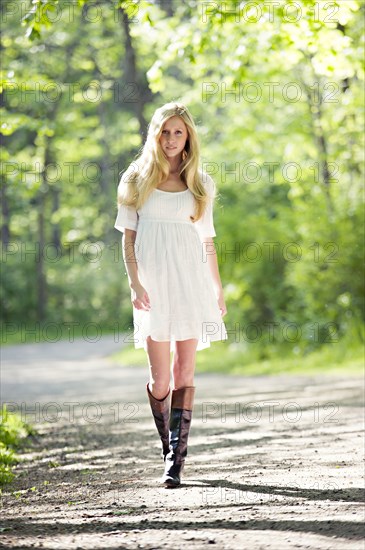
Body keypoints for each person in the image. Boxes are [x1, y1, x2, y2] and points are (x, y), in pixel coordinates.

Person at [114, 101, 228, 488]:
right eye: (165, 131)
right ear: (155, 134)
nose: (171, 139)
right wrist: (135, 283)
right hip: (153, 287)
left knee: (185, 372)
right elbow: (128, 241)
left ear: (189, 136)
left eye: (178, 132)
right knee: (160, 380)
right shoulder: (135, 178)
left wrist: (217, 288)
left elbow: (207, 239)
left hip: (191, 281)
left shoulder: (200, 182)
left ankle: (174, 463)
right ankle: (168, 447)